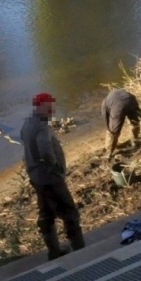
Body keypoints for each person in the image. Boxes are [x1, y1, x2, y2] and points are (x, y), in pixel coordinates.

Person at [20, 92, 86, 260]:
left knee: (46, 214)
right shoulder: (41, 126)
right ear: (40, 106)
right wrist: (56, 168)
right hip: (50, 178)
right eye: (49, 105)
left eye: (52, 105)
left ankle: (54, 251)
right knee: (70, 213)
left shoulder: (28, 122)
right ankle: (81, 251)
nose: (52, 109)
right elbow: (45, 150)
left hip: (36, 177)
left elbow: (23, 139)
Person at [101, 87, 141, 159]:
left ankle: (109, 152)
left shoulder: (104, 105)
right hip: (131, 100)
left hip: (118, 106)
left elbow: (107, 121)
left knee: (113, 131)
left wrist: (110, 128)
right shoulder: (111, 97)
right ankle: (135, 140)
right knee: (134, 122)